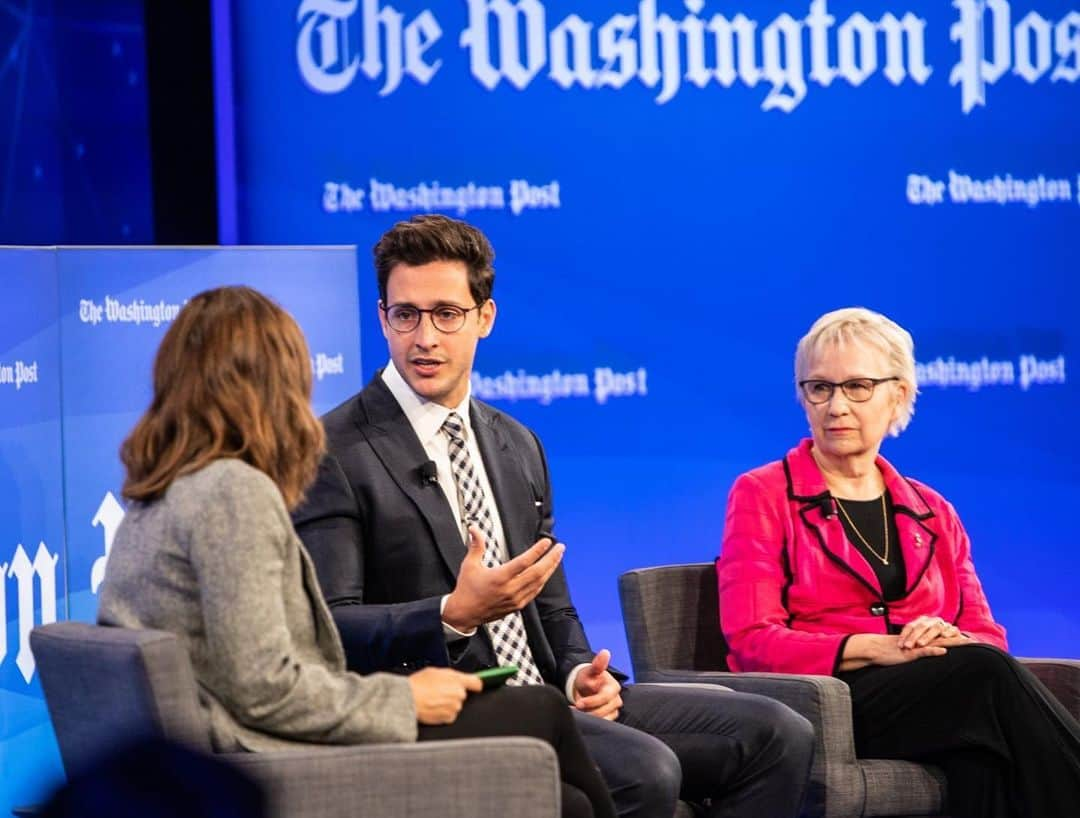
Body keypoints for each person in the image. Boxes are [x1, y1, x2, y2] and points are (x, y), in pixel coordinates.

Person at [292, 215, 815, 818]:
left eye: (446, 314)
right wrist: (449, 616)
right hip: (450, 704)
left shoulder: (517, 443)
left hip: (549, 694)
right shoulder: (334, 449)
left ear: (485, 317)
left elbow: (553, 606)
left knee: (781, 733)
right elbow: (331, 627)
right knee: (647, 770)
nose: (424, 337)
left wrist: (578, 678)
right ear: (383, 318)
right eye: (405, 315)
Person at [96, 285, 616, 818]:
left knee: (567, 798)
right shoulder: (233, 492)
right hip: (262, 762)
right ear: (275, 384)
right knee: (541, 711)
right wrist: (407, 699)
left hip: (213, 755)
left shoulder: (159, 492)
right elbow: (263, 688)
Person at [716, 306, 1080, 818]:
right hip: (830, 701)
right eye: (819, 388)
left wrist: (947, 637)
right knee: (983, 678)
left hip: (946, 697)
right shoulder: (763, 493)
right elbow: (752, 639)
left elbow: (986, 636)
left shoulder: (931, 509)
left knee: (984, 754)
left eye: (858, 386)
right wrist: (877, 648)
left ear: (899, 396)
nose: (836, 405)